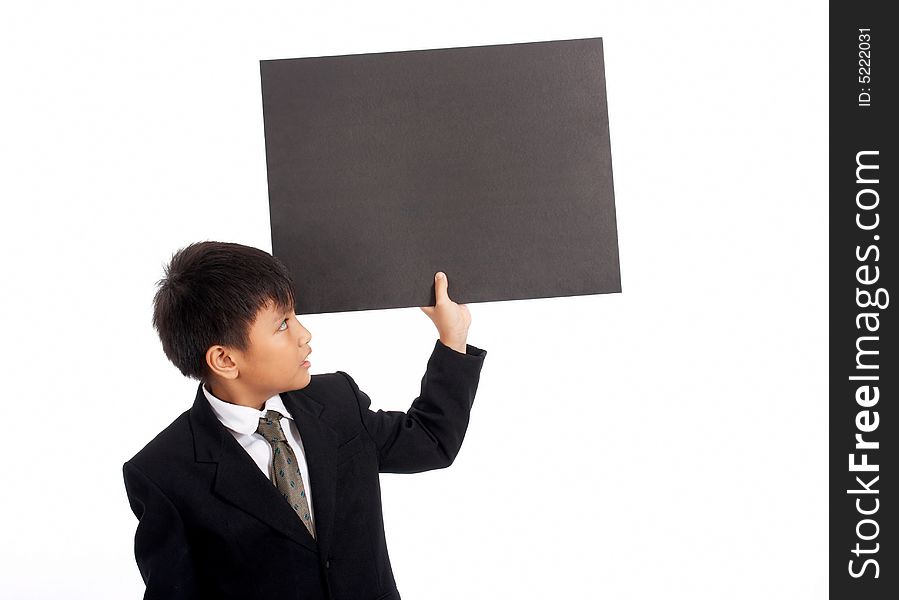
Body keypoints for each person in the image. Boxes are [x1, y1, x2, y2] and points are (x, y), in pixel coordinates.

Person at [122, 241, 487, 599]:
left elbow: (429, 442)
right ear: (225, 360)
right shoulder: (164, 473)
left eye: (295, 315)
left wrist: (452, 339)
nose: (304, 335)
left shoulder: (336, 400)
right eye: (282, 325)